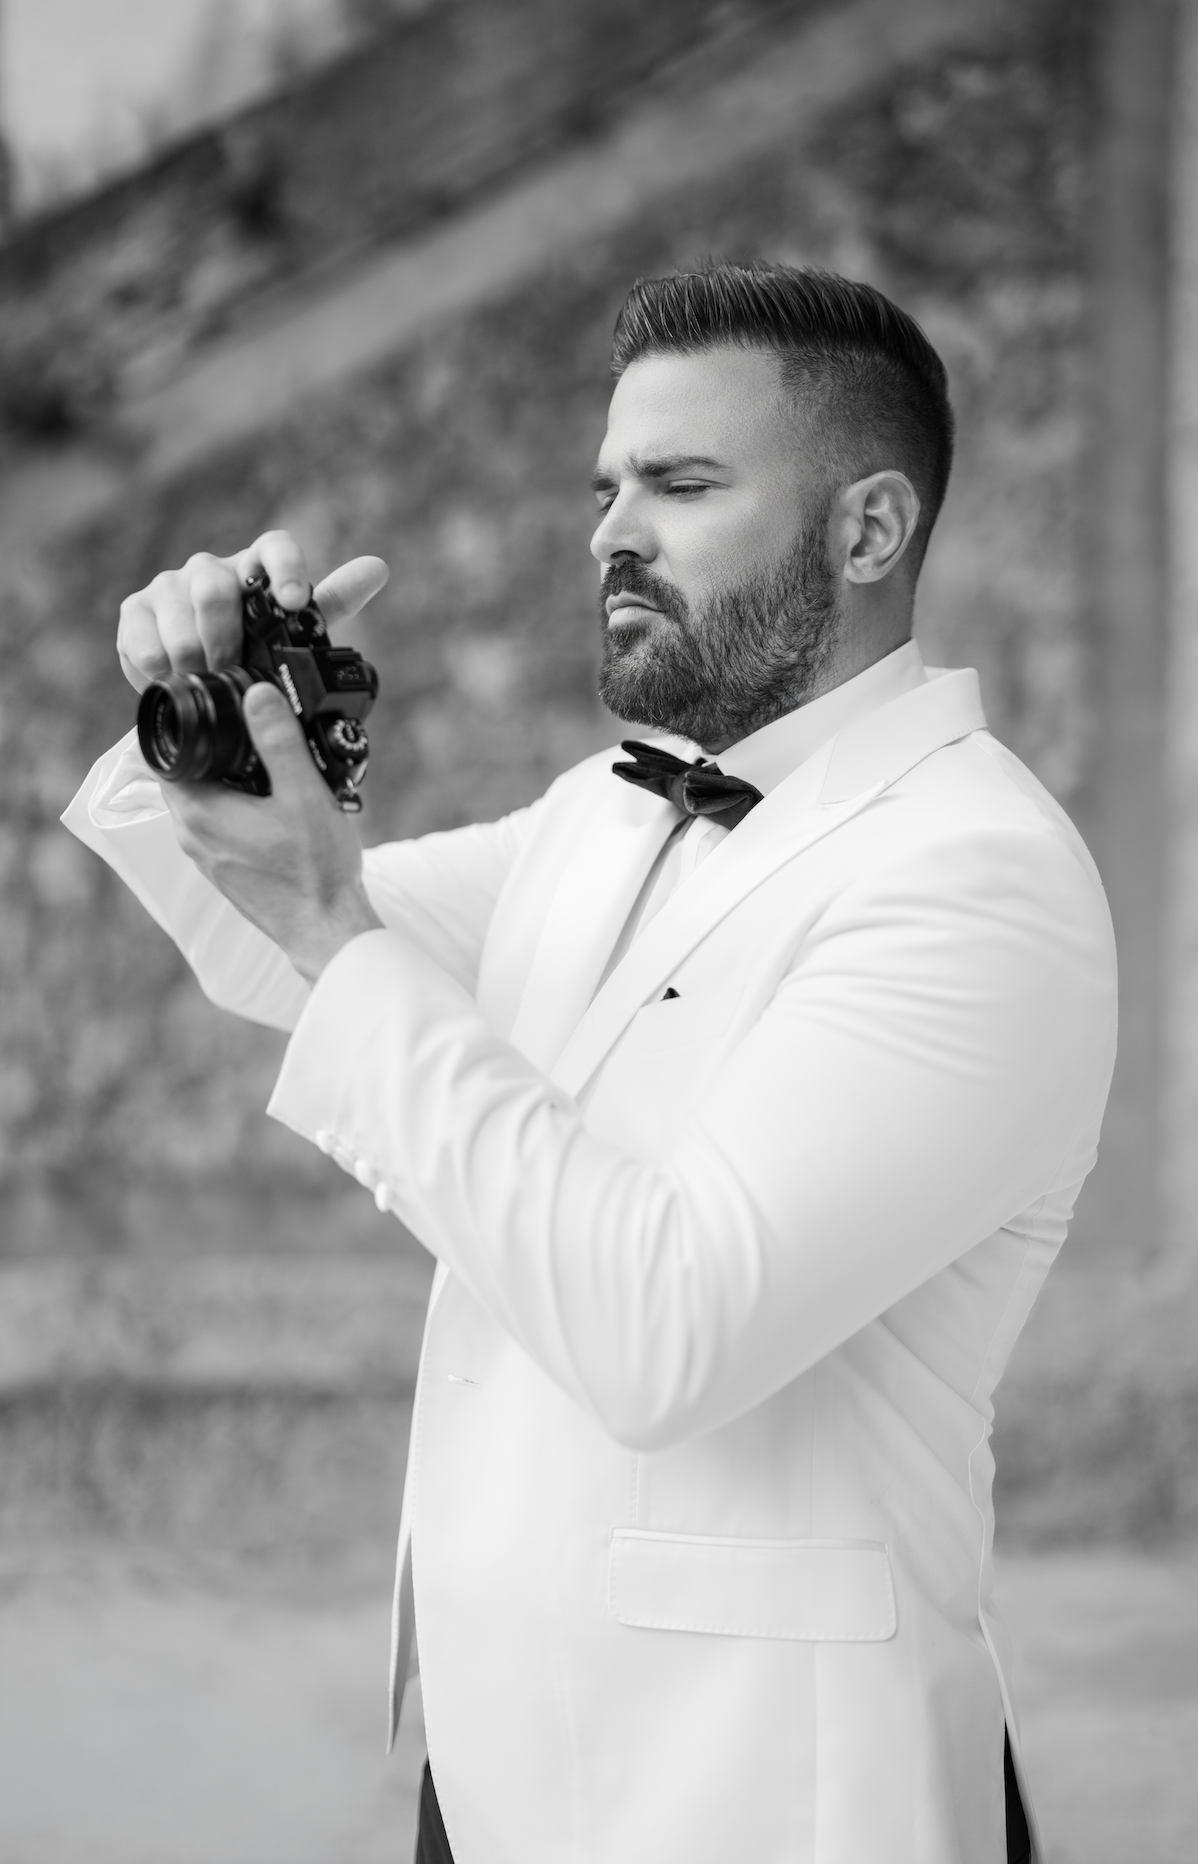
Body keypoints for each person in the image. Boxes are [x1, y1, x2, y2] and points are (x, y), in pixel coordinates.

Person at [65, 262, 1116, 1864]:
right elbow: (265, 944)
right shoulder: (606, 807)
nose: (607, 531)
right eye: (605, 483)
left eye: (681, 483)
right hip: (497, 1770)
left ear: (868, 531)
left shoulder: (974, 879)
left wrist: (334, 923)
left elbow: (665, 1328)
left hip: (763, 1795)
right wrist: (207, 733)